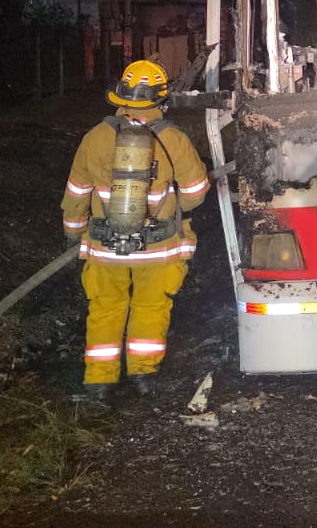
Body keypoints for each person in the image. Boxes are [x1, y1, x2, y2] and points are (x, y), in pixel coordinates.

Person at [62, 59, 209, 404]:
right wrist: (170, 205)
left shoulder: (96, 137)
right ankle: (143, 375)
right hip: (157, 248)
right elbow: (195, 194)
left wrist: (74, 232)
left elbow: (77, 193)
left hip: (105, 247)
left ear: (121, 96)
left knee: (105, 308)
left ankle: (99, 382)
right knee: (150, 306)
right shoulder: (172, 138)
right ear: (162, 99)